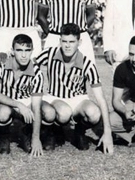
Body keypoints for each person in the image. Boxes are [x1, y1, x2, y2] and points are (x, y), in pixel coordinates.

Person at [36, 23, 113, 154]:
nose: (67, 45)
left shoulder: (87, 63)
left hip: (78, 100)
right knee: (64, 113)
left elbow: (101, 98)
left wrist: (107, 133)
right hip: (55, 98)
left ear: (79, 42)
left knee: (94, 113)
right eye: (64, 41)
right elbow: (29, 64)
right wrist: (8, 58)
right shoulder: (50, 54)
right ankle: (52, 130)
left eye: (72, 42)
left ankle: (79, 131)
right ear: (60, 41)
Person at [0, 34, 46, 156]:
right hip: (6, 101)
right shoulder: (0, 64)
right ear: (12, 51)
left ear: (32, 51)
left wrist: (35, 138)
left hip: (26, 102)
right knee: (3, 113)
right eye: (19, 50)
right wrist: (18, 105)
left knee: (48, 112)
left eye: (27, 50)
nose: (24, 55)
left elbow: (36, 106)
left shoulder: (36, 72)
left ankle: (26, 132)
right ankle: (4, 135)